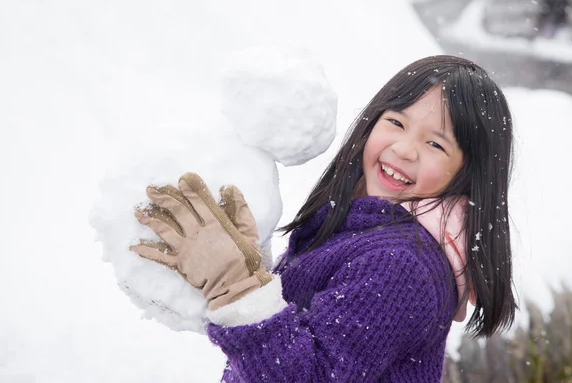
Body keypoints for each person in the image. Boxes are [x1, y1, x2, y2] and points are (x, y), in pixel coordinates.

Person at [131, 55, 517, 382]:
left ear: (468, 174)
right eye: (396, 123)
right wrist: (254, 271)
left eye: (435, 143)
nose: (404, 149)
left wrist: (236, 287)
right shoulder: (366, 232)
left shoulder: (401, 266)